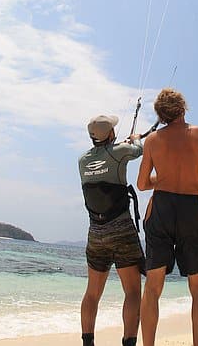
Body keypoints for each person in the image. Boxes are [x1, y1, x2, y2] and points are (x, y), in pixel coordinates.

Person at [137, 89, 198, 346]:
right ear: (183, 108)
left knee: (153, 286)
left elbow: (143, 183)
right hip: (191, 208)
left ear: (161, 115)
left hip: (161, 208)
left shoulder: (153, 140)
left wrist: (163, 178)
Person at [79, 114, 145, 346]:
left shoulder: (82, 161)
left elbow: (102, 164)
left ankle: (88, 342)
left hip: (95, 233)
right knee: (133, 292)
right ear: (109, 134)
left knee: (92, 293)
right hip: (122, 232)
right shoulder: (119, 152)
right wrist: (135, 139)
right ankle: (128, 342)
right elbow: (138, 150)